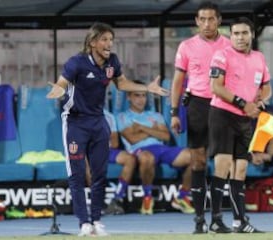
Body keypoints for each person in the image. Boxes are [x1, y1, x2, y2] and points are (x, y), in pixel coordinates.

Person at [46, 22, 168, 237]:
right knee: (76, 175)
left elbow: (121, 84)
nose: (109, 44)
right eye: (104, 39)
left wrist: (146, 88)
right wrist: (57, 91)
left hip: (99, 122)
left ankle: (97, 221)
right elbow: (61, 84)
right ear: (92, 42)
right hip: (75, 123)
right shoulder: (77, 62)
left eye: (111, 40)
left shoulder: (112, 62)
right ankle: (84, 223)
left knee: (99, 174)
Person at [170, 1, 231, 234]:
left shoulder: (229, 45)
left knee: (223, 163)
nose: (207, 23)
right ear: (196, 21)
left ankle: (217, 218)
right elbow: (177, 81)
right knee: (198, 162)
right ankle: (198, 220)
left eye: (211, 19)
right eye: (202, 19)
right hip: (197, 105)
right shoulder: (186, 46)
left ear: (219, 20)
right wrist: (175, 112)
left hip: (223, 106)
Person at [208, 17, 272, 233]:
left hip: (246, 119)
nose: (240, 37)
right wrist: (244, 104)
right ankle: (216, 220)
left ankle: (240, 222)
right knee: (223, 165)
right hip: (223, 115)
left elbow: (266, 86)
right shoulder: (221, 55)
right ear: (230, 35)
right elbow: (216, 87)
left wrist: (260, 101)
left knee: (241, 169)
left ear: (251, 34)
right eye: (236, 33)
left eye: (244, 33)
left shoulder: (259, 58)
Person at [117, 80, 195, 215]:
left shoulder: (155, 115)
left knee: (195, 157)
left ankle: (181, 197)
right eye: (137, 95)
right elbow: (132, 138)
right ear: (129, 97)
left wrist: (141, 128)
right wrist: (154, 131)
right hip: (139, 151)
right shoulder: (123, 116)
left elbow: (165, 136)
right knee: (147, 157)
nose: (141, 100)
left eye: (143, 95)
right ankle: (147, 197)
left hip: (161, 148)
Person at [103, 108, 137, 215]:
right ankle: (98, 202)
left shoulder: (108, 116)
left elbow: (114, 143)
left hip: (106, 150)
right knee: (86, 161)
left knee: (130, 159)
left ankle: (117, 199)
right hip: (89, 151)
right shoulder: (79, 115)